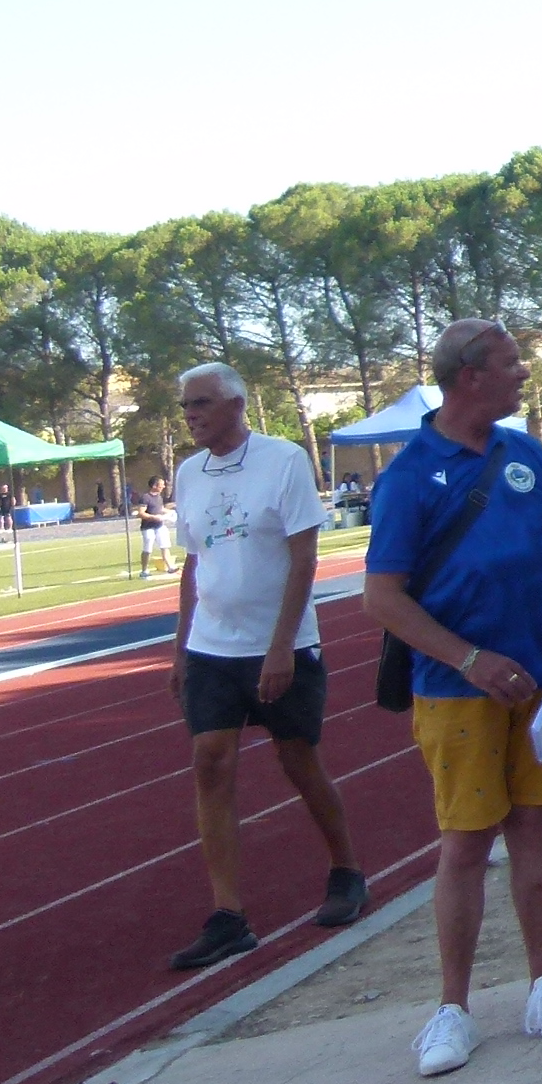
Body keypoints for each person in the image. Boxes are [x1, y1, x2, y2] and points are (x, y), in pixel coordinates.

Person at [362, 320, 542, 1077]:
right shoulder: (408, 476)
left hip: (539, 681)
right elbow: (382, 597)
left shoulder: (525, 454)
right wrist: (468, 660)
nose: (523, 373)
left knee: (533, 826)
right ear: (471, 376)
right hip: (454, 691)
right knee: (465, 842)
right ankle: (452, 1009)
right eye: (511, 363)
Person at [162, 362, 368, 969]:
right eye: (185, 406)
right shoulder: (188, 474)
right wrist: (180, 646)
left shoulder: (283, 460)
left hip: (281, 645)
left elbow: (305, 558)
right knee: (210, 762)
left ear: (235, 404)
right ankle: (228, 915)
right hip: (211, 647)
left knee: (298, 760)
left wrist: (281, 646)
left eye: (201, 403)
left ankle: (346, 870)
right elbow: (194, 564)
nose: (191, 415)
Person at [138, 478, 175, 578]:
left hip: (159, 526)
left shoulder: (159, 497)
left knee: (165, 546)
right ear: (154, 486)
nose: (163, 487)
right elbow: (141, 513)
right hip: (148, 527)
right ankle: (144, 570)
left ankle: (170, 567)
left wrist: (170, 512)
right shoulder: (145, 497)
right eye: (161, 485)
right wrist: (153, 517)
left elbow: (160, 509)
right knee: (147, 548)